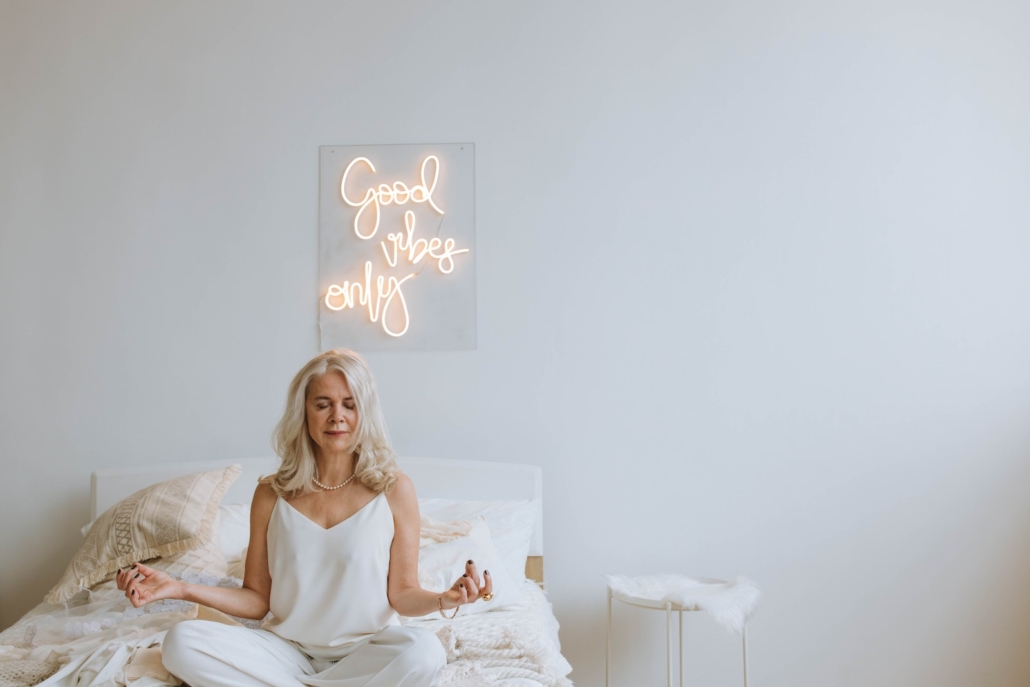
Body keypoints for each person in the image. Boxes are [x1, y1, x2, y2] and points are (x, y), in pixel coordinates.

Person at [116, 348, 493, 687]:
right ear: (305, 412)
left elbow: (403, 593)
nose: (337, 417)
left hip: (366, 651)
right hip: (285, 653)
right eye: (323, 404)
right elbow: (257, 599)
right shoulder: (270, 493)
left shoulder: (394, 490)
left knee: (425, 652)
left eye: (349, 404)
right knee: (182, 643)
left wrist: (446, 598)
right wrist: (181, 588)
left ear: (365, 412)